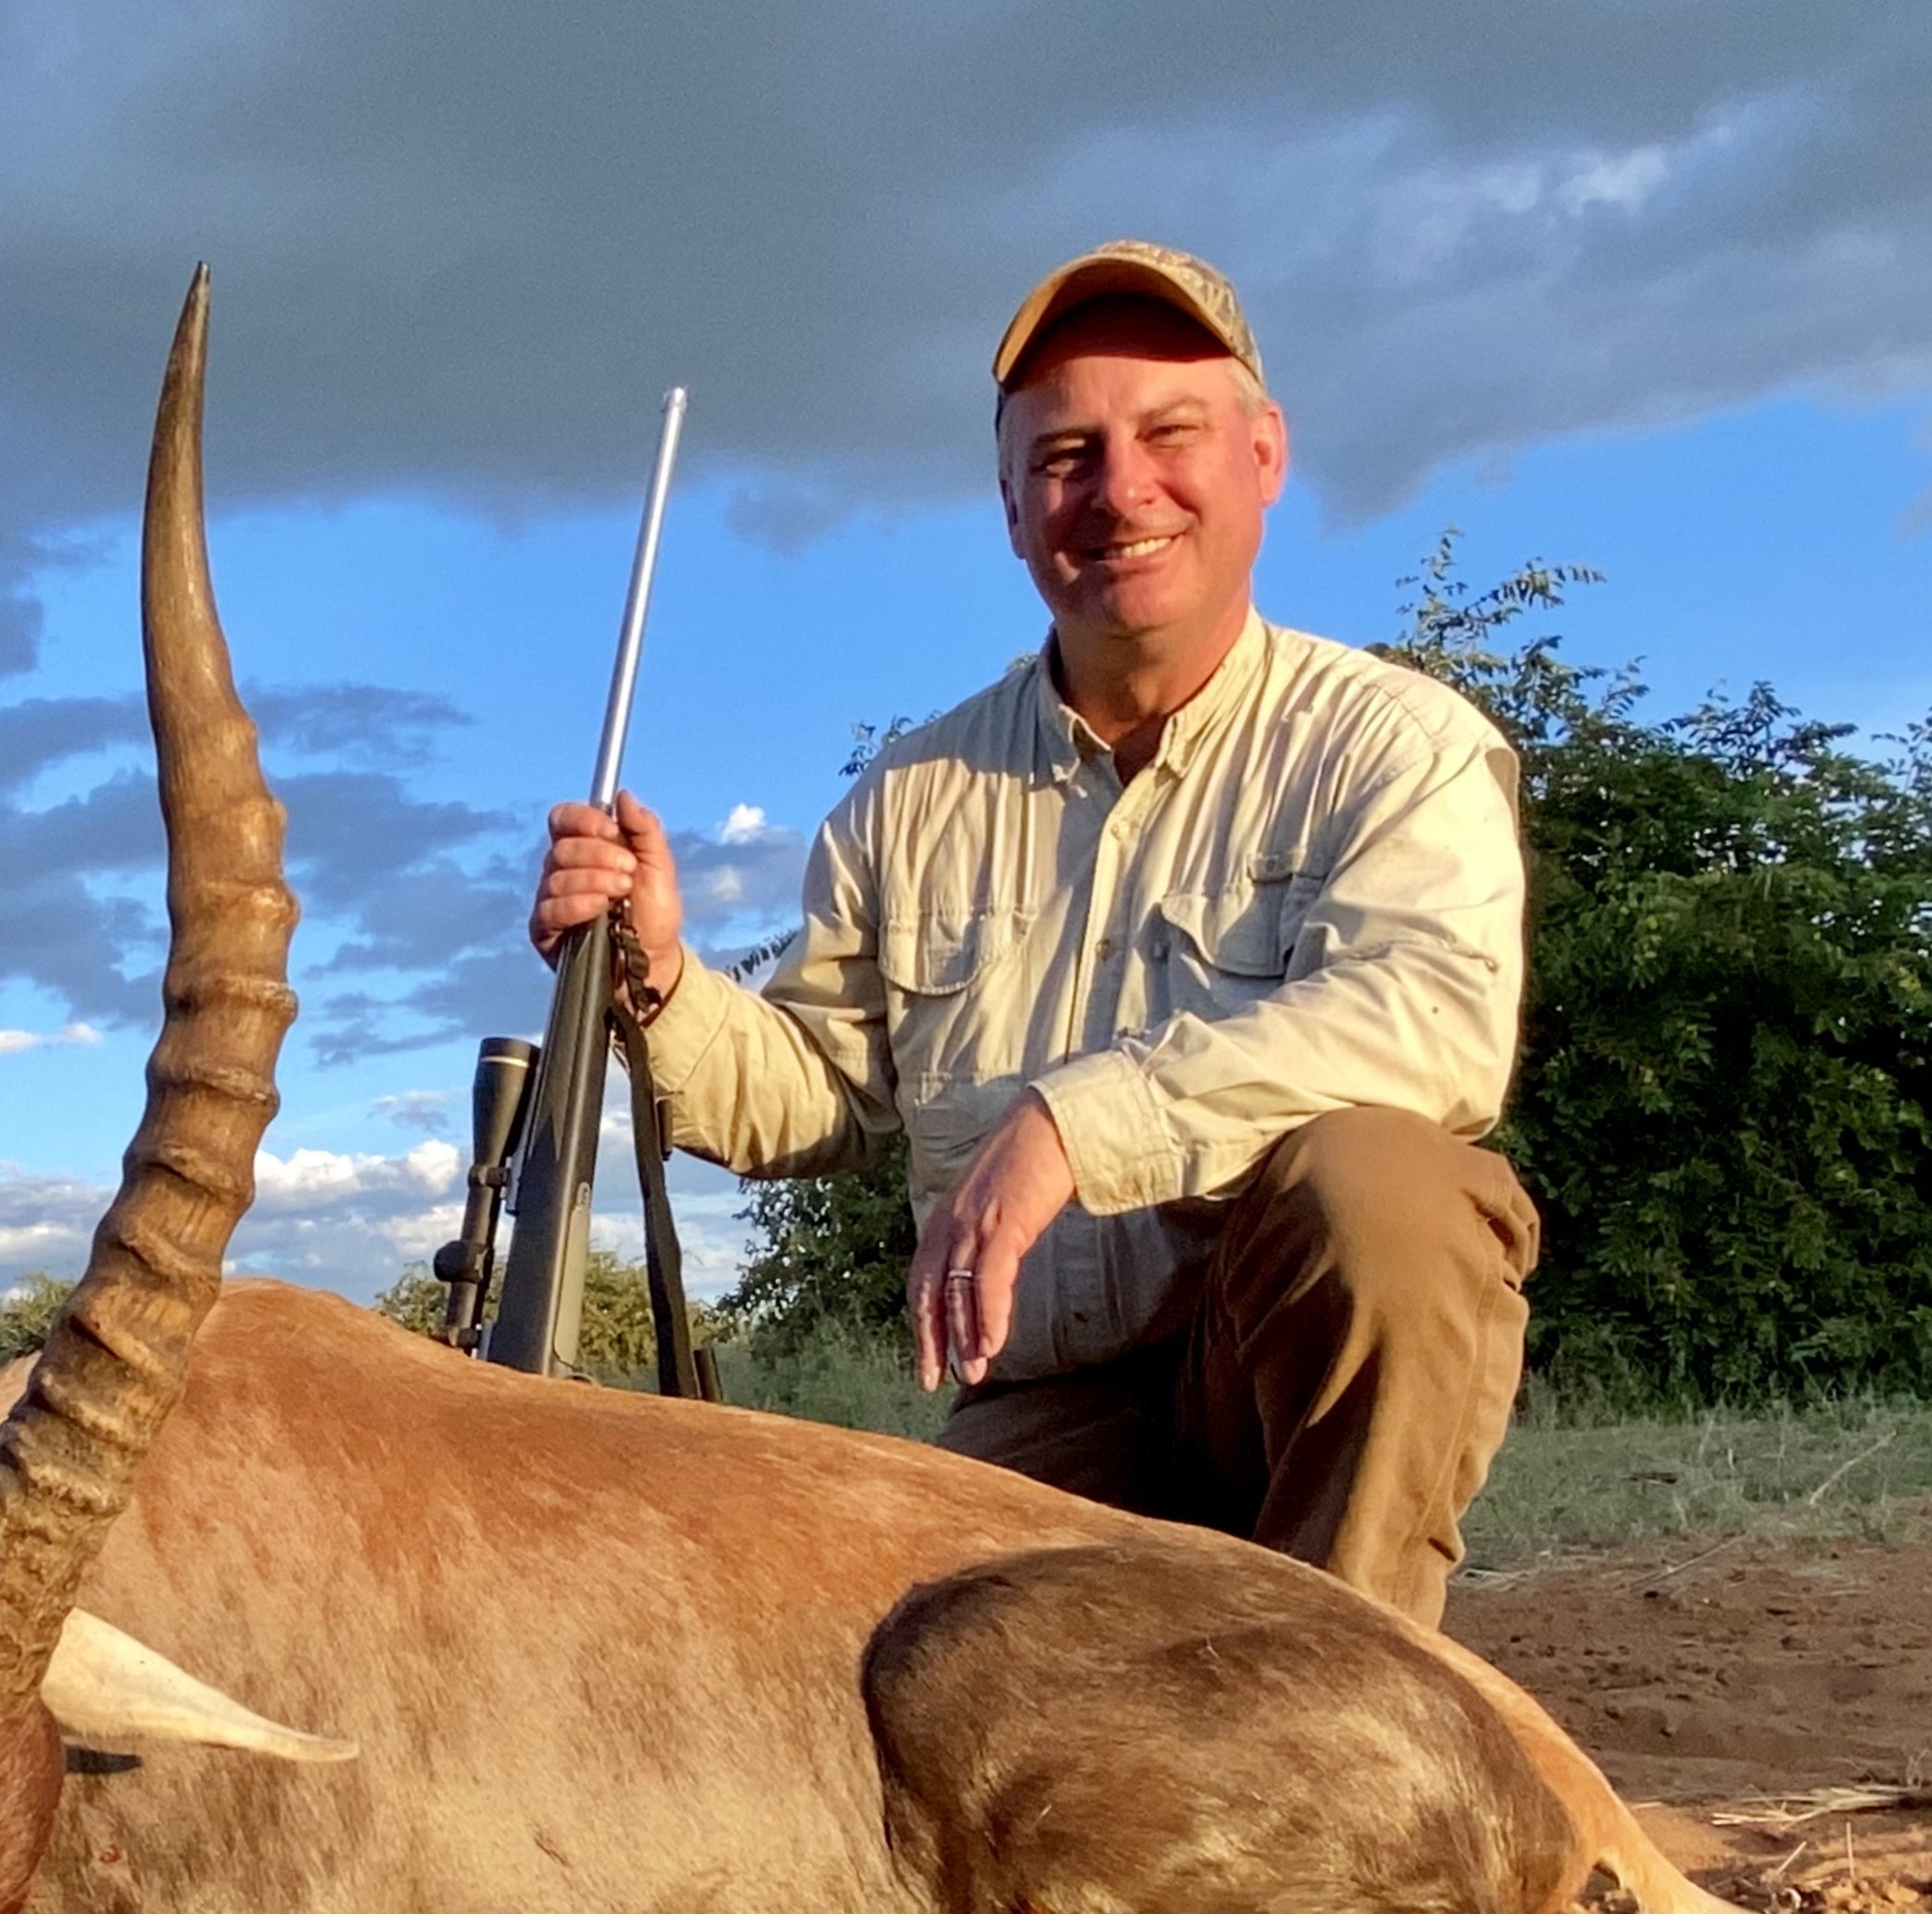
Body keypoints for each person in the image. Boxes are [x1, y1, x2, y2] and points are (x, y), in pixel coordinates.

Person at [530, 242, 1534, 1626]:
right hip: (1047, 1425)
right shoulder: (911, 795)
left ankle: (1361, 1700)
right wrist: (657, 976)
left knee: (1393, 1194)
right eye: (1065, 456)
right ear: (1012, 510)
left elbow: (1433, 1026)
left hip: (1270, 1392)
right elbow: (813, 1093)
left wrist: (1070, 1125)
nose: (1118, 493)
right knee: (850, 1689)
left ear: (1263, 454)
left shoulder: (1398, 745)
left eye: (1167, 435)